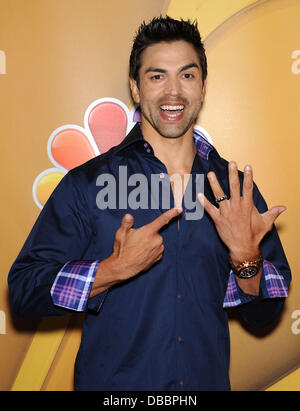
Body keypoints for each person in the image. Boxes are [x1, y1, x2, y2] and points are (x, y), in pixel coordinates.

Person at [8, 16, 291, 391]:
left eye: (187, 76)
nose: (173, 92)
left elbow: (266, 313)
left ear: (203, 87)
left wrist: (245, 260)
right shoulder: (88, 183)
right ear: (136, 89)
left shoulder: (232, 188)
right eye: (157, 77)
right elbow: (24, 289)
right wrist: (110, 270)